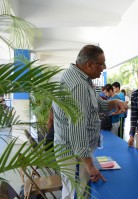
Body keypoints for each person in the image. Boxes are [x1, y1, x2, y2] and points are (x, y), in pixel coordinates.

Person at [52, 45, 127, 199]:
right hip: (74, 154)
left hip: (74, 152)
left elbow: (97, 104)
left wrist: (113, 103)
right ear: (89, 64)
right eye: (102, 64)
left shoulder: (81, 78)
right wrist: (90, 166)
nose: (104, 68)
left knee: (77, 192)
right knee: (76, 194)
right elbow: (78, 130)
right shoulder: (78, 85)